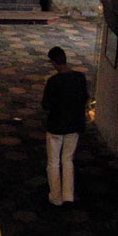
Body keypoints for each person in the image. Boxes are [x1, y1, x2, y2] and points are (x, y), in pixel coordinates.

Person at [41, 46, 89, 206]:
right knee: (68, 160)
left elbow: (46, 105)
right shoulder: (80, 78)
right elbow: (85, 98)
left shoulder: (54, 82)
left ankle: (55, 196)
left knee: (53, 162)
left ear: (54, 63)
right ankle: (68, 194)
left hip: (56, 125)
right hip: (74, 125)